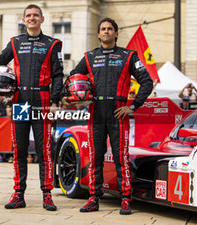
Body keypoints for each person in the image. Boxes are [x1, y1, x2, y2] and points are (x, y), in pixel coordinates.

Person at [62, 17, 153, 215]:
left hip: (118, 111)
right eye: (103, 29)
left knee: (121, 157)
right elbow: (72, 78)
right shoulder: (89, 57)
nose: (106, 31)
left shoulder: (128, 56)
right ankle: (93, 198)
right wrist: (67, 96)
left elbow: (147, 81)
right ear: (98, 34)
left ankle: (126, 199)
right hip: (96, 112)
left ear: (116, 33)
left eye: (110, 29)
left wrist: (133, 106)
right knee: (95, 158)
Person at [0, 4, 63, 211]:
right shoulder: (15, 42)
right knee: (18, 148)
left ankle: (47, 194)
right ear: (23, 19)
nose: (32, 18)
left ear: (42, 19)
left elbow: (57, 75)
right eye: (28, 15)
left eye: (36, 15)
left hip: (43, 98)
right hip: (20, 99)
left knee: (44, 149)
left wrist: (55, 101)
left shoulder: (52, 44)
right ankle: (18, 193)